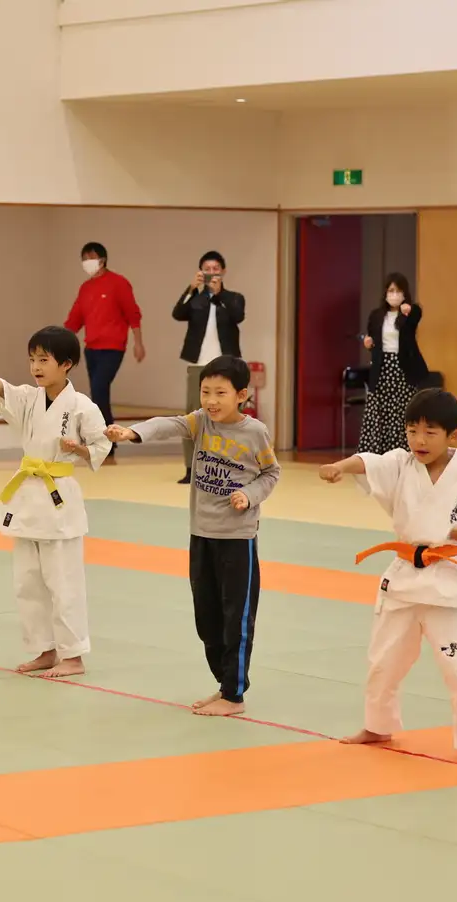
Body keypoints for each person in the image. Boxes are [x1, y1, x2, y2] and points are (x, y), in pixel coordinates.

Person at [318, 388, 457, 768]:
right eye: (412, 430)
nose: (419, 440)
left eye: (430, 432)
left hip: (446, 579)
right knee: (384, 658)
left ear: (454, 436)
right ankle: (377, 724)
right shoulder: (401, 464)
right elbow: (368, 462)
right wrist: (340, 466)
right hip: (404, 575)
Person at [106, 356, 279, 715]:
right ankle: (225, 683)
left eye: (220, 393)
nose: (211, 400)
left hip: (238, 538)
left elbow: (270, 473)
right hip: (201, 534)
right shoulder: (201, 422)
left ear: (241, 394)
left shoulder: (254, 432)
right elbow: (169, 425)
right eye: (205, 392)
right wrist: (133, 432)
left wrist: (250, 496)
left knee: (237, 617)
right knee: (207, 619)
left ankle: (234, 695)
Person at [0, 326, 111, 679]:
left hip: (58, 498)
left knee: (63, 581)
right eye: (32, 360)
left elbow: (101, 448)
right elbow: (1, 386)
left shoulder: (82, 406)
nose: (36, 367)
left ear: (66, 364)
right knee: (27, 581)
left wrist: (78, 449)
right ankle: (45, 649)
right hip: (27, 497)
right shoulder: (29, 397)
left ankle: (73, 655)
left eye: (44, 360)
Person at [64, 241, 144, 463]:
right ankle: (108, 438)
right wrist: (58, 340)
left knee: (99, 390)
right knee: (99, 394)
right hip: (92, 349)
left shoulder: (119, 284)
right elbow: (74, 320)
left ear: (102, 259)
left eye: (91, 257)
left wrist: (138, 342)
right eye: (84, 258)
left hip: (113, 348)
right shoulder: (86, 288)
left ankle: (107, 440)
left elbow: (133, 314)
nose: (87, 262)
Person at [172, 251, 246, 484]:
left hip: (226, 365)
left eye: (215, 269)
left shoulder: (233, 297)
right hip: (198, 365)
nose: (211, 273)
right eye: (207, 269)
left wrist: (219, 293)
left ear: (223, 271)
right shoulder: (196, 298)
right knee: (193, 416)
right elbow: (178, 313)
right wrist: (191, 289)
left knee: (226, 416)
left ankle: (226, 466)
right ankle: (190, 467)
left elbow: (238, 315)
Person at [359, 273, 429, 455]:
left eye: (398, 291)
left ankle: (402, 454)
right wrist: (368, 343)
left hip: (402, 368)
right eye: (391, 290)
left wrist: (408, 311)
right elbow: (373, 340)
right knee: (380, 412)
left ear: (405, 293)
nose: (394, 294)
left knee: (401, 412)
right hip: (382, 368)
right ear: (385, 293)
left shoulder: (410, 312)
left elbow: (416, 317)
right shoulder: (376, 315)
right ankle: (376, 456)